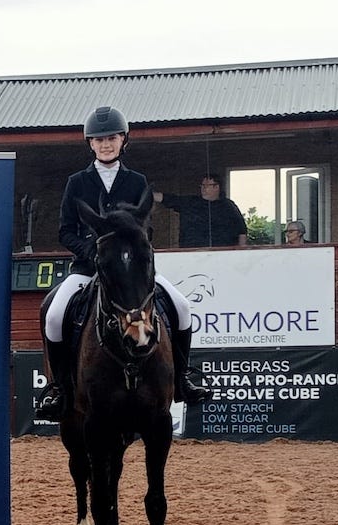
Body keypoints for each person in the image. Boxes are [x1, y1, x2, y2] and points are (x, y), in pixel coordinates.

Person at [35, 106, 210, 421]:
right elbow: (65, 231)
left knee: (182, 307)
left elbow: (146, 229)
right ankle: (59, 388)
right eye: (99, 139)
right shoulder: (77, 182)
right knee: (54, 315)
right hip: (87, 269)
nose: (106, 144)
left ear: (123, 140)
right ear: (90, 143)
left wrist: (132, 249)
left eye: (112, 138)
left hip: (131, 273)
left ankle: (182, 379)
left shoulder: (136, 181)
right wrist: (91, 252)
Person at [153, 174, 247, 248]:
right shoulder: (191, 202)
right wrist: (148, 195)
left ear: (216, 187)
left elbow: (241, 230)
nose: (203, 188)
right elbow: (167, 198)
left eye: (207, 186)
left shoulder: (228, 207)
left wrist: (240, 252)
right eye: (202, 185)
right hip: (191, 253)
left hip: (221, 254)